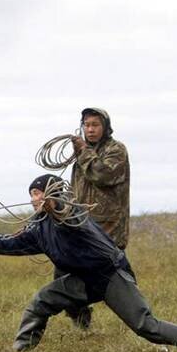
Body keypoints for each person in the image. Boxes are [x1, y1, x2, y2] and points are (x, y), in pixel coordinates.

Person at [0, 174, 177, 352]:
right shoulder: (39, 227)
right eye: (31, 194)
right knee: (42, 301)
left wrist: (56, 204)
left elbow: (69, 217)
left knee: (146, 328)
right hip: (82, 280)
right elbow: (13, 242)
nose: (33, 199)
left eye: (38, 193)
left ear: (54, 194)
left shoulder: (74, 213)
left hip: (110, 276)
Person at [63, 107, 130, 330]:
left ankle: (139, 317)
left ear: (105, 127)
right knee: (64, 273)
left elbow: (102, 175)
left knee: (111, 279)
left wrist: (83, 151)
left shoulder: (116, 149)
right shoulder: (81, 153)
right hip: (80, 225)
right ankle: (80, 319)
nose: (90, 130)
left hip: (108, 227)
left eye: (95, 125)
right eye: (87, 125)